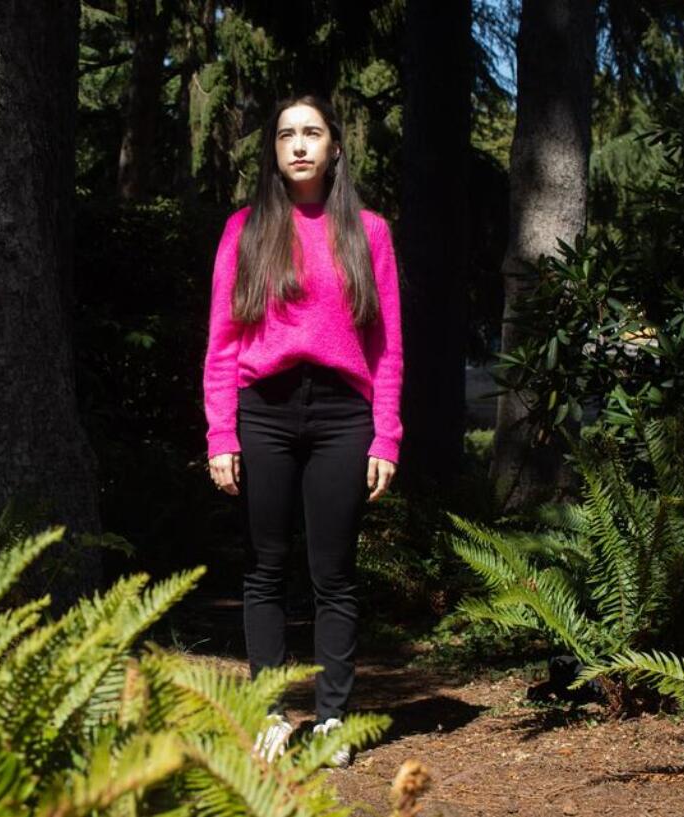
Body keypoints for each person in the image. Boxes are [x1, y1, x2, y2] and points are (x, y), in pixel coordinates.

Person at [201, 93, 403, 767]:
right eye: (286, 133)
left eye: (311, 132)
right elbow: (223, 341)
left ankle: (332, 717)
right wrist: (220, 434)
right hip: (264, 410)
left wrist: (386, 437)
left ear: (334, 147)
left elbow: (387, 345)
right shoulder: (246, 229)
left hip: (343, 415)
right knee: (263, 568)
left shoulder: (369, 231)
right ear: (274, 150)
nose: (298, 144)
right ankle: (268, 710)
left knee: (334, 573)